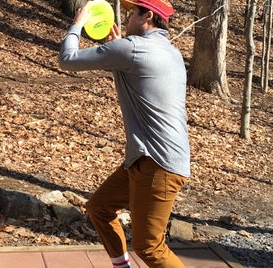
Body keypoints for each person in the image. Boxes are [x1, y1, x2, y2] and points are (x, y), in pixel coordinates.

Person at [58, 0, 190, 267]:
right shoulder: (172, 52)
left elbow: (67, 60)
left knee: (149, 247)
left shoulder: (131, 49)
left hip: (158, 164)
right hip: (144, 160)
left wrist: (77, 25)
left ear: (148, 16)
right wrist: (120, 47)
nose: (126, 18)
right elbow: (135, 68)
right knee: (100, 207)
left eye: (131, 13)